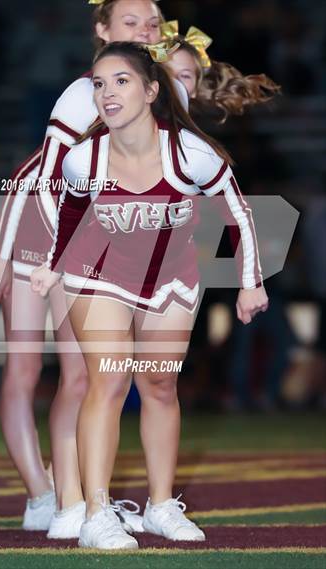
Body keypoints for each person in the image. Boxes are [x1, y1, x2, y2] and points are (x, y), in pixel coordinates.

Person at [30, 41, 269, 549]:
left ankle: (161, 507)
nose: (107, 92)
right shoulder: (82, 159)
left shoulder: (190, 154)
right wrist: (52, 267)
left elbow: (239, 214)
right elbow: (70, 216)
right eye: (98, 84)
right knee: (109, 381)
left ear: (151, 90)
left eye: (121, 81)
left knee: (160, 386)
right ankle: (96, 513)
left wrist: (250, 281)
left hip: (171, 277)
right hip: (98, 274)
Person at [0, 0, 181, 539]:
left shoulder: (155, 91)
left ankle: (75, 498)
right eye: (130, 21)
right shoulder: (83, 91)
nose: (144, 30)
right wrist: (14, 253)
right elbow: (37, 174)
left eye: (152, 22)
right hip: (42, 230)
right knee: (27, 370)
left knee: (82, 376)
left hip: (86, 239)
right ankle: (44, 496)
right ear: (101, 30)